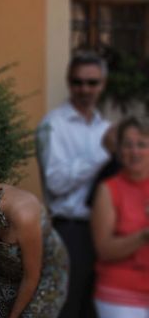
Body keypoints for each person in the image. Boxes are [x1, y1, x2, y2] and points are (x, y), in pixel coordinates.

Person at [36, 51, 110, 318]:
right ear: (69, 83)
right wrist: (104, 155)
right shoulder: (53, 125)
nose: (85, 89)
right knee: (67, 308)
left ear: (102, 84)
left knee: (96, 309)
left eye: (92, 82)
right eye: (78, 82)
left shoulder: (105, 128)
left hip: (106, 234)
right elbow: (56, 183)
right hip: (70, 231)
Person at [91, 116, 149, 317]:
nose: (134, 152)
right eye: (127, 145)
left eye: (142, 144)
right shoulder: (108, 189)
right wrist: (143, 236)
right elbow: (104, 250)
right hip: (120, 295)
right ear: (118, 151)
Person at [0, 183, 68, 317]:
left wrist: (14, 316)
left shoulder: (25, 217)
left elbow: (31, 277)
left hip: (42, 273)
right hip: (7, 271)